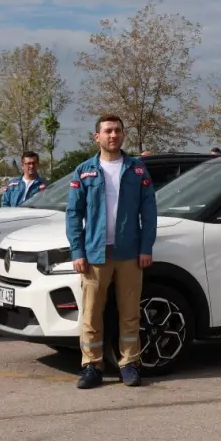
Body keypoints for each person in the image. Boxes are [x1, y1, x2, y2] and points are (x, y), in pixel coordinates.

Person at [65, 114, 157, 389]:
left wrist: (146, 247)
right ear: (97, 137)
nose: (113, 135)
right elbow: (73, 214)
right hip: (95, 253)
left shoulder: (137, 170)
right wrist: (77, 251)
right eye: (107, 131)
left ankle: (129, 364)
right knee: (91, 313)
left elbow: (149, 212)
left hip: (129, 253)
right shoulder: (84, 171)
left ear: (123, 134)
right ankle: (91, 366)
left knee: (130, 313)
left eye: (117, 130)